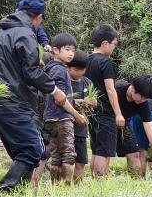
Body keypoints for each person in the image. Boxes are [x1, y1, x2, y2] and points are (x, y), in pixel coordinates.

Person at [0, 0, 67, 191]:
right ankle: (6, 188)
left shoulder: (4, 33)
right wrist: (54, 90)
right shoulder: (25, 33)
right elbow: (30, 71)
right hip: (15, 101)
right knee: (35, 149)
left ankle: (17, 195)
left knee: (22, 153)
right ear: (38, 17)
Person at [42, 33, 88, 183]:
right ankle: (66, 188)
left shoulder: (49, 68)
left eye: (73, 50)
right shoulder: (60, 70)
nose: (71, 53)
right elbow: (60, 99)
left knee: (56, 156)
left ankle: (56, 187)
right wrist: (77, 115)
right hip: (62, 117)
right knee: (68, 154)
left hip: (49, 117)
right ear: (55, 50)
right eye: (67, 49)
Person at [85, 24, 122, 177]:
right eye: (114, 44)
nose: (114, 48)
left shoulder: (86, 61)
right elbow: (110, 89)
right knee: (104, 149)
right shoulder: (106, 63)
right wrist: (118, 113)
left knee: (96, 147)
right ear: (105, 43)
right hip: (105, 111)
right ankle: (101, 180)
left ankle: (96, 180)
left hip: (90, 110)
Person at [109, 75, 152, 175]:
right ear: (133, 88)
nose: (143, 100)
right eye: (143, 97)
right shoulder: (116, 89)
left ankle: (137, 181)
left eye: (146, 98)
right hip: (106, 120)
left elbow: (148, 123)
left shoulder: (142, 103)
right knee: (105, 153)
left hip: (123, 124)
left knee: (134, 153)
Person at [67, 51, 93, 182]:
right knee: (66, 160)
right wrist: (75, 102)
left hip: (81, 129)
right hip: (65, 127)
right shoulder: (63, 81)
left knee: (81, 160)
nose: (79, 73)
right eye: (76, 70)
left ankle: (77, 187)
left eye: (82, 70)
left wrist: (91, 102)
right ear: (67, 67)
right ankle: (63, 187)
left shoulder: (87, 82)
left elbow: (95, 101)